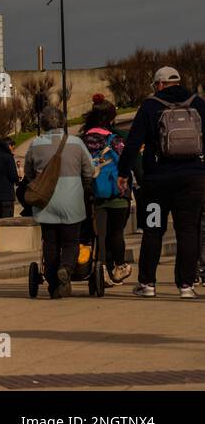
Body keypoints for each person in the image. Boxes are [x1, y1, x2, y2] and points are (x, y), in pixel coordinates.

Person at [119, 67, 205, 298]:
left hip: (157, 183)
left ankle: (147, 284)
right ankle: (186, 286)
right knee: (187, 231)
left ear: (158, 84)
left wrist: (123, 173)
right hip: (192, 180)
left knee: (153, 229)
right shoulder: (198, 103)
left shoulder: (150, 106)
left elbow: (133, 143)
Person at [25, 106, 95, 299]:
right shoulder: (76, 143)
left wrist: (37, 183)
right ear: (63, 122)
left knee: (50, 243)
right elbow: (89, 171)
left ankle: (53, 285)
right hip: (72, 201)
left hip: (45, 202)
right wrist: (86, 186)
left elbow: (28, 173)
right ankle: (65, 268)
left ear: (43, 123)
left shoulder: (35, 144)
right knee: (71, 242)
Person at [81, 101, 133, 287]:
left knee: (100, 235)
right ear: (111, 119)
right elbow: (126, 163)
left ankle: (100, 267)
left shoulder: (82, 141)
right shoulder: (115, 140)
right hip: (117, 194)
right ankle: (118, 266)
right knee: (116, 233)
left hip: (94, 195)